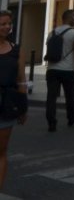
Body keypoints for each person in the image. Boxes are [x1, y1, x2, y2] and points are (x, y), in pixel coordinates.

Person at [43, 8, 74, 132]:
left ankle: (51, 122)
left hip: (52, 69)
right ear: (68, 18)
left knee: (51, 97)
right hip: (68, 70)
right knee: (69, 95)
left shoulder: (52, 32)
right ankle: (71, 117)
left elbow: (49, 49)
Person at [0, 10, 26, 188]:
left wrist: (23, 107)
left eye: (9, 23)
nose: (7, 27)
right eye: (3, 24)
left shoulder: (16, 50)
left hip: (6, 105)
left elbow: (21, 80)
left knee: (1, 152)